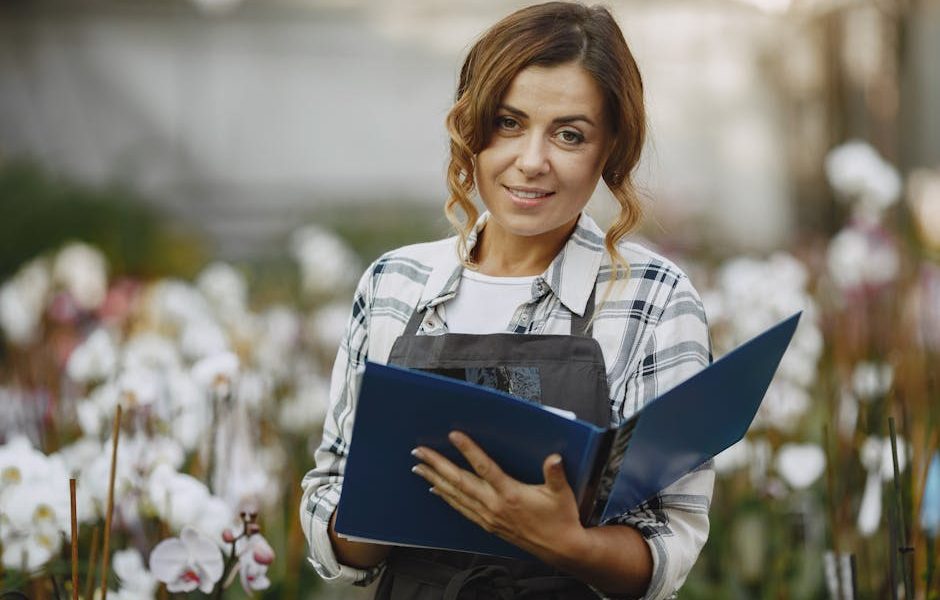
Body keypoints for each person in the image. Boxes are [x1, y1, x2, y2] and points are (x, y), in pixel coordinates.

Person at [300, 2, 713, 598]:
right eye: (508, 123)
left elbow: (671, 536)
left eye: (569, 134)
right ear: (471, 127)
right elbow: (328, 498)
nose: (531, 161)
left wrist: (567, 543)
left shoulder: (655, 299)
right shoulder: (394, 283)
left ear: (611, 149)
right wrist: (382, 507)